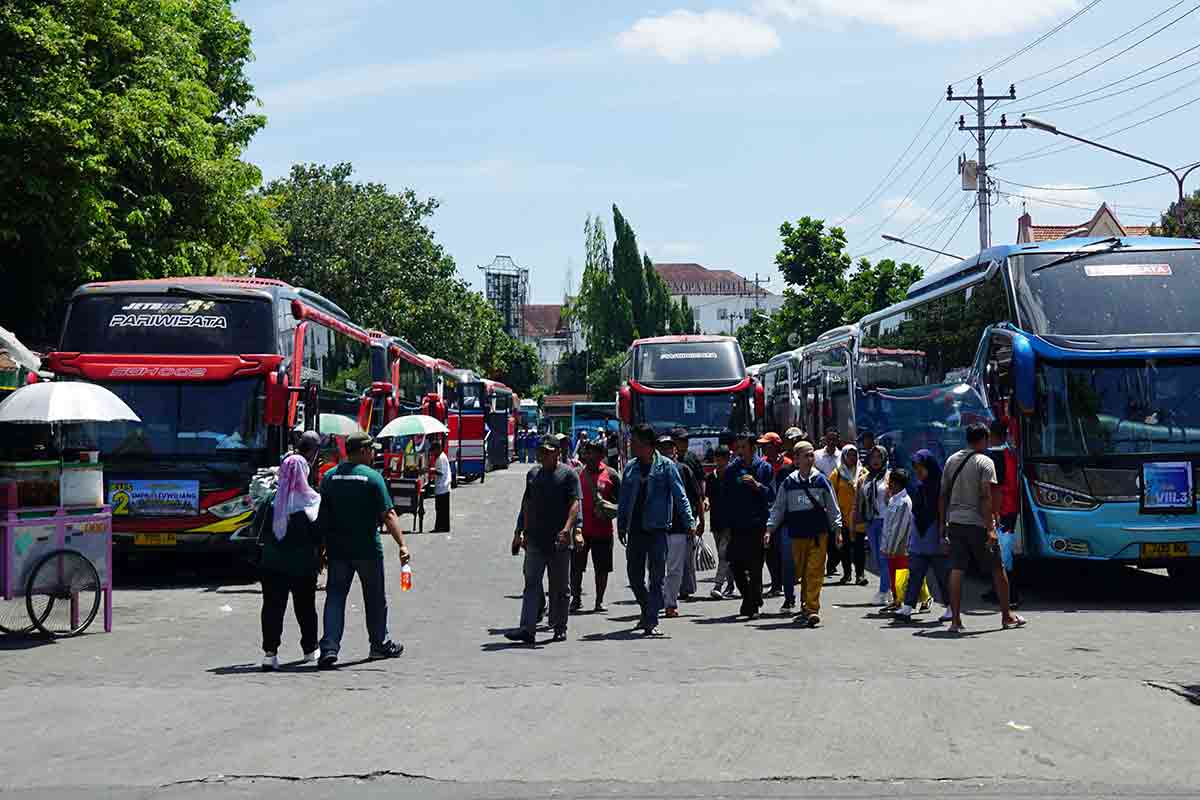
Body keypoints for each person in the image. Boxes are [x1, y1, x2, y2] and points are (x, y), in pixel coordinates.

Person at [317, 431, 409, 669]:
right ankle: (378, 645)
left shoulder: (328, 478)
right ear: (365, 451)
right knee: (375, 598)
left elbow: (322, 518)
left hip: (338, 551)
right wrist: (402, 545)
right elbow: (389, 515)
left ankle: (329, 648)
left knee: (335, 597)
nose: (374, 453)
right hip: (367, 550)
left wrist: (321, 548)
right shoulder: (372, 478)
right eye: (372, 450)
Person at [942, 423, 1026, 634]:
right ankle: (1007, 617)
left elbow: (942, 496)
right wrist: (990, 528)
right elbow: (986, 496)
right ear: (983, 440)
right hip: (978, 524)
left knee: (957, 570)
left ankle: (955, 621)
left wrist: (943, 526)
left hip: (955, 523)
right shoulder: (985, 461)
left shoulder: (951, 460)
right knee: (998, 569)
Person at [617, 424, 695, 636]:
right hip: (635, 529)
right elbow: (623, 499)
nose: (632, 446)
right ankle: (647, 609)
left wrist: (690, 522)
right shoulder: (631, 467)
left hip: (658, 529)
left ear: (649, 446)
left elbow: (680, 496)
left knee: (657, 577)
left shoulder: (667, 467)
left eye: (636, 443)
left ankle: (651, 619)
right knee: (634, 575)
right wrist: (621, 524)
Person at [260, 431, 323, 671]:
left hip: (272, 565)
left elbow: (260, 529)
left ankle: (269, 653)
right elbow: (320, 535)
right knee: (306, 607)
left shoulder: (271, 500)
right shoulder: (313, 502)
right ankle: (310, 650)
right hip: (303, 566)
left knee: (272, 607)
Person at [508, 438, 581, 644]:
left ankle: (560, 627)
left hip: (559, 540)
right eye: (541, 451)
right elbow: (526, 504)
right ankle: (527, 629)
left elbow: (575, 504)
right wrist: (518, 532)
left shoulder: (568, 475)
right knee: (531, 584)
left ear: (557, 453)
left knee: (560, 587)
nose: (543, 455)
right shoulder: (533, 474)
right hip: (535, 540)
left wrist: (569, 529)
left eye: (547, 451)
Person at [766, 441, 842, 627]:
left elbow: (833, 507)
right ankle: (805, 606)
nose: (809, 459)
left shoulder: (821, 480)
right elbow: (778, 508)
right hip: (797, 535)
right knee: (801, 572)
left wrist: (838, 530)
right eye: (805, 456)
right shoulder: (789, 483)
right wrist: (769, 529)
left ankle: (812, 609)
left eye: (811, 455)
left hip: (818, 534)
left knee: (814, 571)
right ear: (796, 459)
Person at [895, 450, 952, 624]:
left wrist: (945, 533)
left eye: (921, 468)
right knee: (915, 573)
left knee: (943, 575)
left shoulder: (941, 488)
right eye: (916, 468)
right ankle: (907, 607)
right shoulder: (918, 487)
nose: (918, 472)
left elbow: (944, 512)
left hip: (936, 535)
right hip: (920, 538)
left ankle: (951, 607)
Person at [724, 432, 775, 620]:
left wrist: (757, 486)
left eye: (743, 447)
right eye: (738, 447)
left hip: (758, 525)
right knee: (736, 565)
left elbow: (772, 495)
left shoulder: (765, 468)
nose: (739, 451)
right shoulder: (732, 470)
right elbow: (726, 498)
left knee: (755, 567)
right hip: (737, 526)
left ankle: (752, 605)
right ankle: (750, 597)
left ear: (753, 448)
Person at [572, 440, 620, 614]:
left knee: (602, 569)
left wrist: (608, 507)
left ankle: (599, 601)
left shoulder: (611, 475)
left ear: (601, 455)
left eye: (593, 452)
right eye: (587, 452)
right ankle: (575, 599)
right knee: (576, 567)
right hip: (581, 531)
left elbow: (620, 502)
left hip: (603, 531)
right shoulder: (577, 474)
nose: (589, 456)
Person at [659, 436, 703, 618]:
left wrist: (699, 521)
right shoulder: (652, 470)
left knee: (675, 569)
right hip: (656, 528)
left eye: (670, 447)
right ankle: (658, 599)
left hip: (678, 527)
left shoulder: (684, 470)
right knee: (656, 568)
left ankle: (670, 603)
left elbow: (696, 496)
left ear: (675, 450)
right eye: (663, 447)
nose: (667, 450)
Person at [879, 468, 930, 614]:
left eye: (891, 482)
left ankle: (903, 601)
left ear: (898, 484)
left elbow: (900, 529)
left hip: (901, 546)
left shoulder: (904, 502)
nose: (889, 485)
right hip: (892, 544)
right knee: (895, 573)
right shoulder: (894, 499)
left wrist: (891, 547)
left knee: (901, 574)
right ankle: (897, 600)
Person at [984, 419, 1021, 608]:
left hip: (1002, 509)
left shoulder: (996, 455)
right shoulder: (1010, 453)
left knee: (1003, 554)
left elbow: (996, 487)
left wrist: (993, 512)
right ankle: (997, 590)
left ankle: (1011, 596)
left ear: (992, 435)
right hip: (1010, 507)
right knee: (1000, 552)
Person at [671, 428, 706, 602]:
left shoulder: (689, 461)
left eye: (685, 440)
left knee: (686, 555)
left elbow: (699, 483)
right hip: (668, 517)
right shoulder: (663, 463)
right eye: (680, 440)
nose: (683, 444)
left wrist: (701, 516)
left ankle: (685, 588)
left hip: (688, 513)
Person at [858, 445, 891, 606]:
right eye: (873, 457)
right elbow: (859, 501)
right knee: (877, 559)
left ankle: (883, 591)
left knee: (884, 557)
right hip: (871, 522)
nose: (876, 460)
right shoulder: (865, 478)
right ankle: (890, 589)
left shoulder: (889, 476)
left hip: (886, 520)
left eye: (879, 457)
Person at [830, 444, 866, 586]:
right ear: (844, 456)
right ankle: (847, 574)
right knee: (844, 548)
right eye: (849, 455)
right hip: (843, 517)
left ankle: (860, 574)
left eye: (854, 455)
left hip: (858, 518)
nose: (852, 458)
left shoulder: (863, 472)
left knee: (859, 547)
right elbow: (831, 494)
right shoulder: (837, 474)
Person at [757, 432, 788, 600]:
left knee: (784, 550)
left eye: (767, 445)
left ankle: (784, 583)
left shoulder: (788, 464)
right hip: (767, 513)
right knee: (770, 550)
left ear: (776, 446)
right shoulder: (761, 465)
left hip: (785, 514)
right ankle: (776, 584)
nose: (764, 449)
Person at [706, 445, 736, 599]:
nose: (720, 462)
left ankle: (718, 585)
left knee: (724, 554)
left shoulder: (734, 476)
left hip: (730, 522)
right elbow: (708, 497)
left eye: (723, 459)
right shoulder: (711, 478)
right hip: (716, 522)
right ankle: (730, 585)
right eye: (717, 459)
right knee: (723, 555)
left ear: (728, 459)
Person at [814, 430, 843, 577]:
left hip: (838, 498)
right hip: (820, 500)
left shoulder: (842, 456)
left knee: (835, 535)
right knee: (822, 534)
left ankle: (832, 564)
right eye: (829, 439)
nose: (831, 442)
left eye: (834, 439)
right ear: (825, 439)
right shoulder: (817, 455)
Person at [429, 439, 452, 533]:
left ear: (437, 449)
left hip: (442, 487)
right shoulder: (441, 457)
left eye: (433, 451)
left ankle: (440, 527)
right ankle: (443, 527)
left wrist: (431, 470)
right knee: (442, 509)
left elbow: (440, 472)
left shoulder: (440, 458)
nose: (433, 453)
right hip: (444, 487)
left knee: (440, 509)